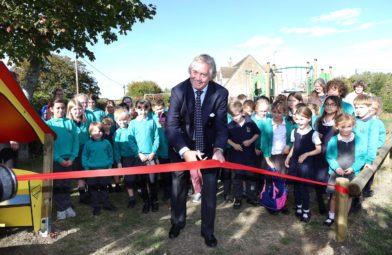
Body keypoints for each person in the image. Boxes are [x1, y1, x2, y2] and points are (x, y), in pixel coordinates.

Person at [165, 54, 228, 248]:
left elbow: (221, 126)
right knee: (178, 186)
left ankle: (207, 231)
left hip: (208, 148)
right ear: (189, 71)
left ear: (211, 75)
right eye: (194, 72)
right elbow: (171, 125)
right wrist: (185, 151)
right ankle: (177, 222)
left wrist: (218, 149)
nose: (198, 78)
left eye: (203, 74)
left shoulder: (220, 93)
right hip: (180, 146)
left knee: (209, 189)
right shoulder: (178, 91)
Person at [323, 114, 367, 226]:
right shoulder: (333, 140)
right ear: (337, 127)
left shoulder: (358, 140)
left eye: (349, 126)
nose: (346, 129)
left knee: (348, 197)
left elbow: (362, 157)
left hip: (351, 173)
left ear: (353, 125)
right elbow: (329, 156)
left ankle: (343, 217)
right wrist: (336, 167)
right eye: (343, 127)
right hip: (336, 173)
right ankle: (331, 216)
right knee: (333, 196)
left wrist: (353, 168)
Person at [285, 105, 321, 223]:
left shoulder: (313, 134)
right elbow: (294, 146)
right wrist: (289, 157)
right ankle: (299, 207)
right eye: (298, 119)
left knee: (304, 187)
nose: (300, 122)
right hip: (295, 162)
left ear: (309, 119)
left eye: (302, 119)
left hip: (306, 165)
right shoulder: (294, 131)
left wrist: (306, 154)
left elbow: (318, 149)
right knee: (296, 186)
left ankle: (306, 210)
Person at [46, 99, 79, 220]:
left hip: (69, 159)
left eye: (63, 108)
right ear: (52, 109)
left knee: (67, 184)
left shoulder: (71, 123)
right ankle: (60, 208)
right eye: (58, 108)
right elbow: (49, 146)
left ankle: (67, 205)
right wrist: (59, 159)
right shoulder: (48, 124)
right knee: (59, 185)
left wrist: (72, 158)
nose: (60, 110)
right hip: (57, 160)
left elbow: (76, 141)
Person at [129, 99, 160, 213]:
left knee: (152, 181)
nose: (143, 111)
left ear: (149, 109)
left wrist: (153, 152)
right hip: (140, 158)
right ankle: (146, 202)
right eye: (140, 109)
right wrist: (138, 153)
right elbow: (130, 140)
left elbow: (157, 138)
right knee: (142, 182)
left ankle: (154, 201)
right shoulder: (132, 123)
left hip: (151, 157)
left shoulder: (152, 122)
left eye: (145, 109)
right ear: (136, 109)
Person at [227, 101, 260, 209]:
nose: (234, 118)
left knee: (251, 176)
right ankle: (238, 198)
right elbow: (226, 138)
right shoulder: (230, 125)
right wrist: (234, 145)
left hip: (250, 156)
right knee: (237, 178)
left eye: (236, 115)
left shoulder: (250, 122)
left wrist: (250, 141)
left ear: (242, 112)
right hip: (236, 157)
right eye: (232, 116)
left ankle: (251, 197)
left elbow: (257, 133)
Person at [313, 96, 342, 214]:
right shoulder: (319, 120)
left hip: (333, 156)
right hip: (319, 154)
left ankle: (331, 204)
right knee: (318, 179)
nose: (329, 106)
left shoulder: (339, 121)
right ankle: (320, 203)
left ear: (337, 107)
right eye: (327, 104)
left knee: (330, 181)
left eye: (332, 104)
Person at [82, 122, 117, 216]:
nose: (98, 133)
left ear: (103, 132)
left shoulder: (107, 143)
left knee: (104, 187)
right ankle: (96, 206)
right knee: (93, 188)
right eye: (95, 131)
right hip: (91, 171)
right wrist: (86, 168)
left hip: (104, 169)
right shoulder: (88, 144)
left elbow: (110, 155)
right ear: (90, 133)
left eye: (100, 131)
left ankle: (106, 204)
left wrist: (110, 166)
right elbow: (84, 156)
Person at [113, 107, 139, 208]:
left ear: (128, 118)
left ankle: (140, 191)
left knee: (138, 176)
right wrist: (119, 162)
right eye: (120, 120)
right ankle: (131, 197)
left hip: (136, 157)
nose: (123, 122)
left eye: (125, 119)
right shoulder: (117, 133)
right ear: (116, 120)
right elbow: (116, 149)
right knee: (128, 179)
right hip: (126, 159)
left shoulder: (132, 129)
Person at [67, 99, 91, 204]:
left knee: (88, 171)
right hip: (75, 152)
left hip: (87, 150)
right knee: (80, 172)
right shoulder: (67, 123)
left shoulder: (86, 121)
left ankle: (90, 192)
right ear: (70, 110)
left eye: (79, 108)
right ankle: (82, 195)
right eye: (75, 109)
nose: (78, 111)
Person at [153, 99, 172, 202]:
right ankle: (165, 192)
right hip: (159, 151)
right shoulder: (152, 120)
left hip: (170, 150)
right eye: (157, 109)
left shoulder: (169, 117)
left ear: (164, 108)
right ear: (153, 109)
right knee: (164, 174)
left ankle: (171, 192)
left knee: (171, 173)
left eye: (161, 108)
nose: (159, 111)